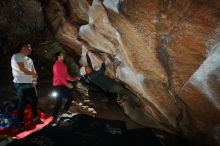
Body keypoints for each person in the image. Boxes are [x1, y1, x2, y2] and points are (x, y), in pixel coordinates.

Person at [11, 42, 43, 131]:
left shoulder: (29, 59)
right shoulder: (16, 56)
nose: (31, 49)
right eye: (29, 47)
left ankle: (36, 118)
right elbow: (22, 69)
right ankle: (20, 122)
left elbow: (34, 70)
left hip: (29, 83)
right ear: (23, 48)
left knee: (34, 101)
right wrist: (34, 74)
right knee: (22, 102)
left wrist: (34, 80)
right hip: (20, 83)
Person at [52, 51, 78, 120]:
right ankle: (54, 117)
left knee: (70, 98)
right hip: (57, 86)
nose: (63, 55)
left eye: (63, 54)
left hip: (63, 85)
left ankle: (65, 110)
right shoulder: (56, 65)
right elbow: (59, 76)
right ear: (58, 56)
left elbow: (66, 76)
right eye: (62, 54)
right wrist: (67, 84)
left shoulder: (64, 65)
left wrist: (73, 79)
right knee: (59, 101)